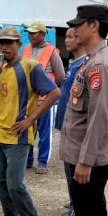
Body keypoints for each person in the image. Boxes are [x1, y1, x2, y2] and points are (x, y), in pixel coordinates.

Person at [0, 27, 60, 216]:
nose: (5, 47)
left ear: (19, 44)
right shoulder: (1, 69)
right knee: (1, 183)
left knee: (15, 185)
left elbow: (54, 92)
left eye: (10, 43)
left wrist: (30, 119)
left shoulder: (30, 67)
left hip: (18, 137)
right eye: (2, 43)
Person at [60, 4, 108, 216]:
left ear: (94, 26)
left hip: (88, 162)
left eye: (79, 24)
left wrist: (85, 161)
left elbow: (99, 117)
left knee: (90, 215)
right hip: (81, 157)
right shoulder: (90, 61)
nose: (74, 29)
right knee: (89, 214)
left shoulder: (100, 65)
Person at [22, 21, 65, 174]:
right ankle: (27, 160)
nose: (30, 35)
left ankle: (42, 162)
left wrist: (50, 92)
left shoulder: (52, 51)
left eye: (34, 33)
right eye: (29, 33)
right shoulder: (26, 49)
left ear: (42, 34)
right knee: (27, 131)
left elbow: (60, 76)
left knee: (44, 133)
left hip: (46, 100)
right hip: (28, 100)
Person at [53, 27, 86, 216]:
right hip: (66, 122)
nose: (67, 40)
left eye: (72, 36)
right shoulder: (75, 65)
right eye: (66, 36)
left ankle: (77, 208)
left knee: (73, 167)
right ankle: (75, 201)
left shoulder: (83, 66)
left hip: (74, 125)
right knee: (68, 165)